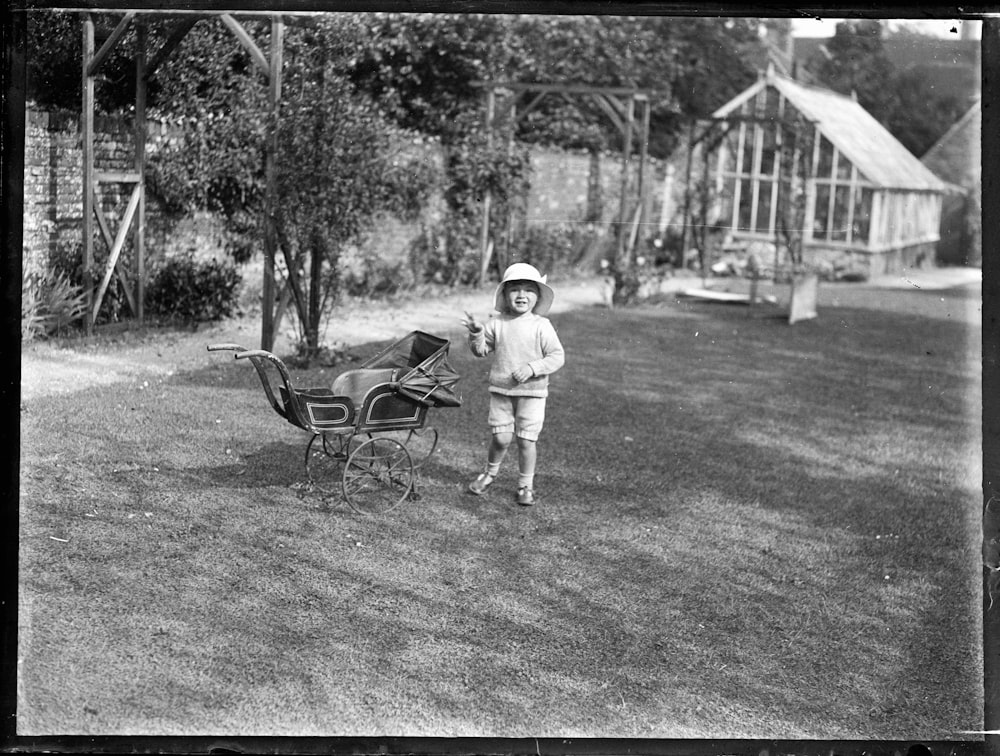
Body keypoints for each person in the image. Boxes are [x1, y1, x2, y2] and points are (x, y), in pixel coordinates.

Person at [461, 263, 565, 506]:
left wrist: (532, 368)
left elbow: (557, 356)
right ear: (505, 295)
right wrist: (476, 333)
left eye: (528, 290)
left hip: (532, 393)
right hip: (501, 392)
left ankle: (525, 485)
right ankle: (489, 473)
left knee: (526, 440)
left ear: (537, 296)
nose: (521, 295)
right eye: (515, 290)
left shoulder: (541, 325)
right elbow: (481, 351)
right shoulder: (498, 323)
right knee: (501, 439)